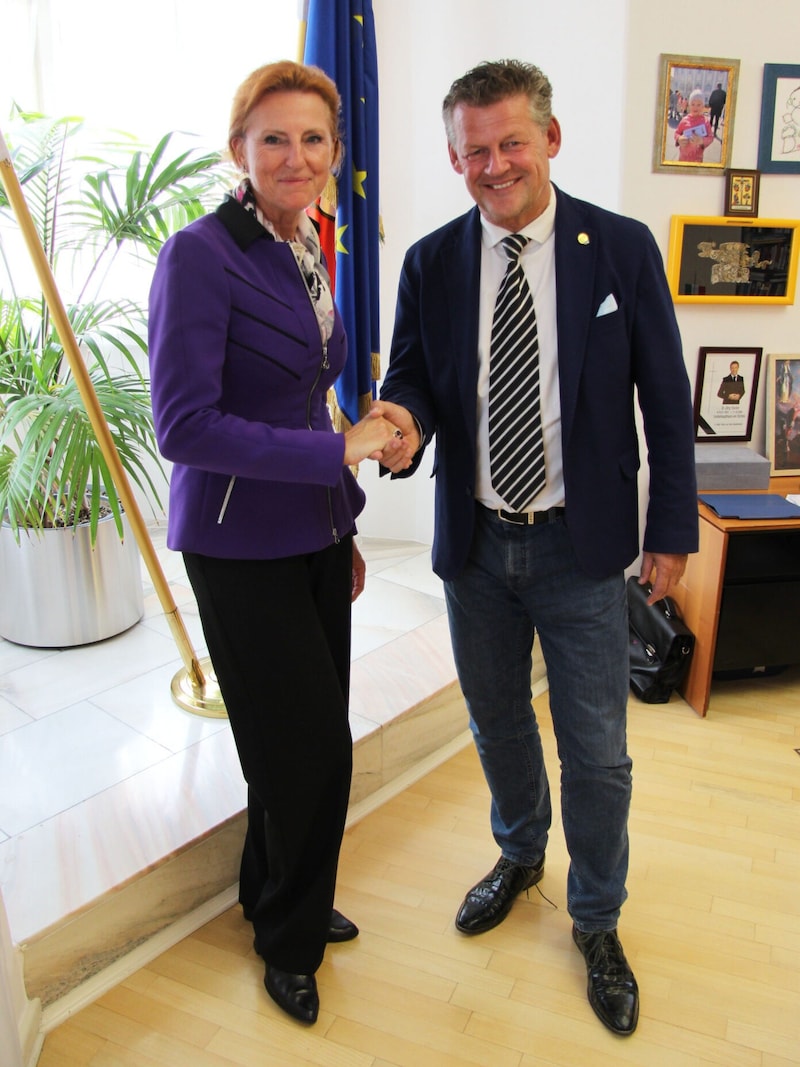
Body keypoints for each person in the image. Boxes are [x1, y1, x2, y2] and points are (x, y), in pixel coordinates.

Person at [376, 59, 698, 1037]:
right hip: (475, 548)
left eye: (509, 141)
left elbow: (665, 400)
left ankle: (595, 918)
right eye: (472, 149)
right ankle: (519, 854)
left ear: (548, 140)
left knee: (596, 751)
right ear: (451, 156)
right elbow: (416, 380)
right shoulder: (430, 262)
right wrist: (403, 428)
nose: (493, 164)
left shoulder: (621, 249)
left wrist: (671, 531)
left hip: (581, 546)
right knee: (496, 723)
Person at [148, 60, 410, 1025]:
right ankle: (289, 943)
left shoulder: (311, 242)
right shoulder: (198, 254)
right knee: (308, 751)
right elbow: (182, 426)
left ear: (336, 154)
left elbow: (307, 389)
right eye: (273, 138)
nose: (294, 156)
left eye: (312, 139)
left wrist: (338, 505)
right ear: (238, 150)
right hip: (234, 540)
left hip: (308, 528)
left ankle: (273, 894)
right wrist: (334, 449)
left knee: (290, 743)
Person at [674, 89, 714, 162]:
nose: (695, 107)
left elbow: (711, 137)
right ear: (689, 105)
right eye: (693, 104)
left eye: (699, 105)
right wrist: (679, 139)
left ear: (703, 106)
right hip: (683, 157)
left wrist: (702, 140)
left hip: (697, 158)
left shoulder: (705, 122)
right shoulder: (684, 120)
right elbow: (677, 133)